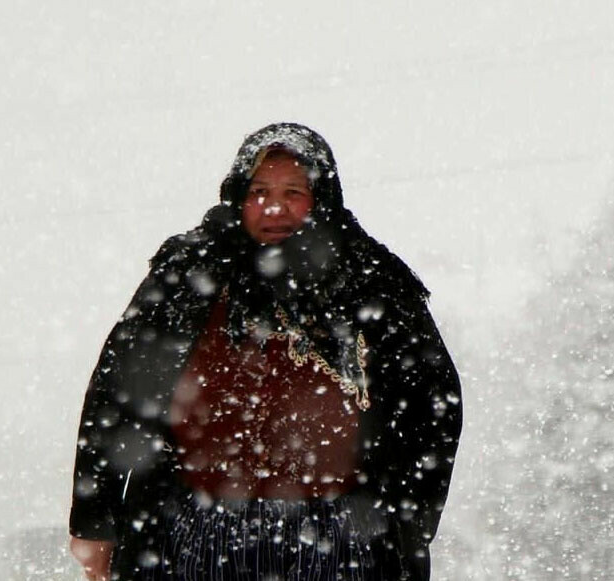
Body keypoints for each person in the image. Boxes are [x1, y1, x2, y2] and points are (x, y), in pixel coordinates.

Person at [68, 123, 462, 580]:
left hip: (340, 542)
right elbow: (117, 396)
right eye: (260, 190)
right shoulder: (189, 274)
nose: (274, 207)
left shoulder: (371, 279)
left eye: (293, 191)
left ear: (321, 196)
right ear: (238, 194)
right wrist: (96, 524)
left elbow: (432, 404)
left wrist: (408, 521)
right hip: (192, 537)